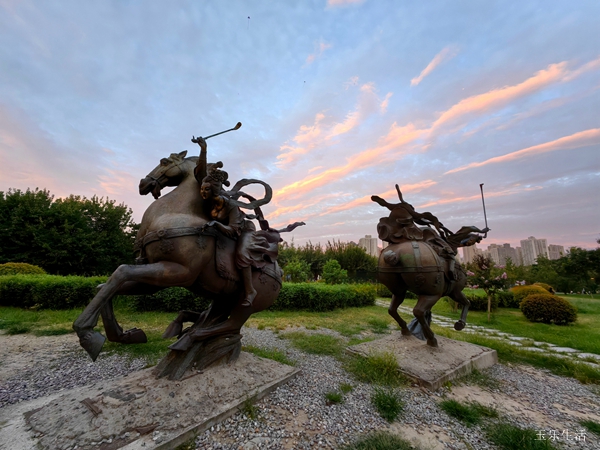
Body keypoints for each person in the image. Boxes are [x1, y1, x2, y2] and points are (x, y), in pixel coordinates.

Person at [192, 135, 274, 307]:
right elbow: (200, 173)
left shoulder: (230, 205)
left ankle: (250, 290)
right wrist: (203, 149)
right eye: (201, 189)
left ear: (214, 189)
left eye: (206, 189)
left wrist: (215, 224)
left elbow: (233, 230)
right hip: (224, 227)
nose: (202, 192)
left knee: (242, 255)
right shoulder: (208, 199)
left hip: (243, 230)